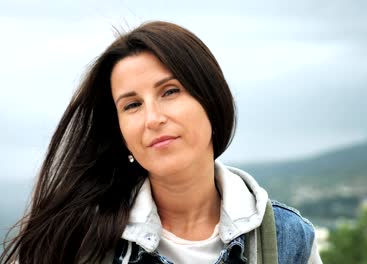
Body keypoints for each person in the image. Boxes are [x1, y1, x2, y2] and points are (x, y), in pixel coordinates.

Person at [1, 21, 322, 264]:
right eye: (132, 105)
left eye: (169, 92)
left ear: (210, 100)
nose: (152, 118)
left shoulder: (286, 238)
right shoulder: (73, 239)